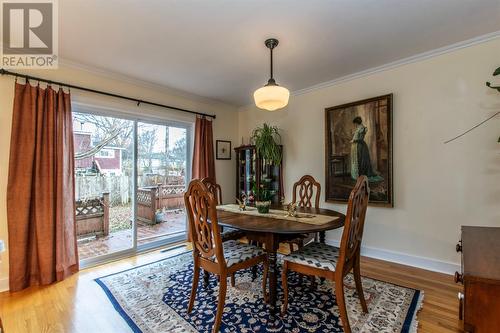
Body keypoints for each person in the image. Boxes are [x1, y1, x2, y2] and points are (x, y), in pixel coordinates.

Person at [350, 116, 382, 181]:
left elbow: (361, 139)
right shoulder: (358, 128)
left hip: (360, 146)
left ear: (357, 122)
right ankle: (358, 175)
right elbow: (356, 136)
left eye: (355, 123)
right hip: (356, 146)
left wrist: (354, 141)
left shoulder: (362, 128)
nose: (355, 125)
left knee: (361, 160)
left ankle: (361, 175)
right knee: (358, 160)